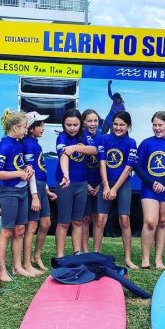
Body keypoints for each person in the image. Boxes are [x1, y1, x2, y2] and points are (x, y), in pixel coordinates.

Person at [0, 110, 39, 281]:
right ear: (15, 127)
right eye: (25, 127)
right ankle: (2, 269)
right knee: (7, 231)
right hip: (9, 192)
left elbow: (22, 164)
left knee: (20, 230)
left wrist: (27, 168)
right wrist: (18, 174)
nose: (26, 130)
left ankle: (18, 267)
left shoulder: (19, 143)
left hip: (22, 191)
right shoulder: (4, 145)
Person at [135, 111, 165, 270]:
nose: (157, 128)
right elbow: (138, 166)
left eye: (160, 125)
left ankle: (158, 259)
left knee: (163, 222)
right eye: (154, 125)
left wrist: (163, 181)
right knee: (150, 221)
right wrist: (153, 182)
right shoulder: (146, 143)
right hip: (149, 188)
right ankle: (145, 258)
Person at [94, 111, 139, 269]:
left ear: (128, 126)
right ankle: (96, 254)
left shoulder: (131, 143)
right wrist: (106, 185)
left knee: (124, 220)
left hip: (123, 184)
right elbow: (102, 162)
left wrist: (114, 189)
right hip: (106, 183)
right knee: (100, 219)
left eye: (122, 125)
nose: (118, 128)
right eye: (116, 124)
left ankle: (128, 258)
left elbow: (127, 169)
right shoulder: (104, 139)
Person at [54, 108, 98, 258]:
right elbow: (63, 156)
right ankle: (60, 256)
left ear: (81, 124)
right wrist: (66, 175)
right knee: (64, 222)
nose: (72, 128)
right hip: (65, 184)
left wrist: (76, 147)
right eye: (68, 125)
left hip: (81, 184)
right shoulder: (61, 138)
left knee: (78, 221)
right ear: (63, 124)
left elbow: (94, 150)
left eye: (75, 124)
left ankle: (77, 253)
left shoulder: (85, 136)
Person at [22, 111, 57, 274]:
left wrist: (47, 190)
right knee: (32, 226)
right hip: (33, 189)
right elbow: (30, 172)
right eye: (40, 125)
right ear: (30, 128)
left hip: (42, 187)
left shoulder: (36, 143)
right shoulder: (29, 144)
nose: (43, 128)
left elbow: (40, 168)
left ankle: (36, 256)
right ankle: (27, 261)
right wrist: (35, 196)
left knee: (46, 223)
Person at [81, 109, 102, 253]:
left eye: (95, 121)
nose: (92, 124)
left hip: (100, 184)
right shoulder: (80, 137)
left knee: (98, 218)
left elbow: (105, 164)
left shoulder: (103, 138)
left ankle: (96, 251)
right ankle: (84, 251)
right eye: (89, 121)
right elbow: (77, 164)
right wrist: (86, 185)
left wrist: (102, 184)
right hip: (84, 183)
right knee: (85, 219)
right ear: (84, 122)